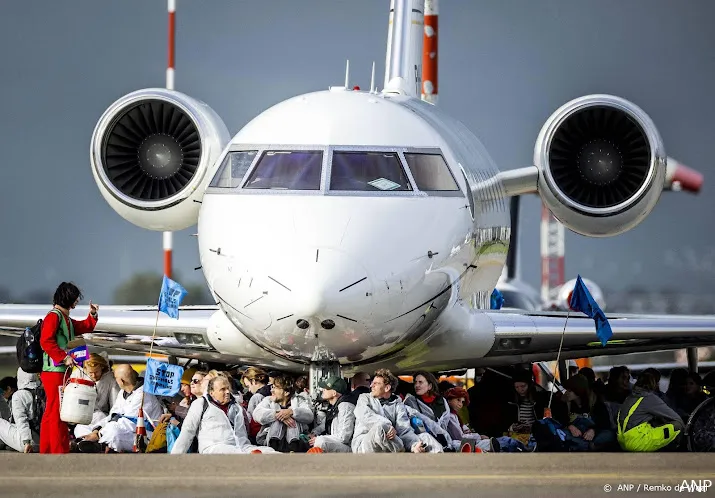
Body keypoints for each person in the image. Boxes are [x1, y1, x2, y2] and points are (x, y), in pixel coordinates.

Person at [39, 282, 98, 454]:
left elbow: (83, 326)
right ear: (69, 299)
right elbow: (46, 341)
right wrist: (63, 357)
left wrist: (92, 314)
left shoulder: (63, 318)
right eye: (75, 298)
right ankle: (59, 450)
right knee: (58, 411)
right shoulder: (55, 317)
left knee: (51, 411)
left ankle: (48, 449)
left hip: (57, 370)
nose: (77, 301)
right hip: (55, 370)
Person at [617, 371, 684, 452]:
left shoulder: (630, 397)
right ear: (654, 384)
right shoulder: (649, 397)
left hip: (623, 441)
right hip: (637, 442)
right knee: (677, 425)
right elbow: (676, 417)